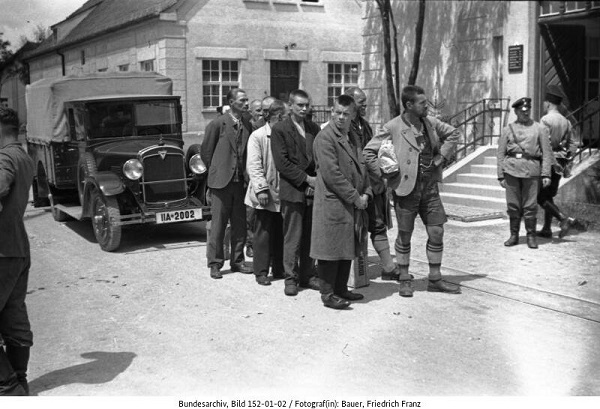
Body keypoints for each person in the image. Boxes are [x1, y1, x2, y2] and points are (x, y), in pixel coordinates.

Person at [364, 85, 461, 297]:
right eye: (422, 103)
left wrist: (441, 157)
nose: (427, 106)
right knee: (405, 235)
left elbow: (454, 134)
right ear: (409, 105)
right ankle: (405, 279)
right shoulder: (392, 127)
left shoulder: (430, 123)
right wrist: (386, 175)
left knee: (437, 231)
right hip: (405, 190)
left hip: (430, 189)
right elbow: (369, 152)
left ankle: (435, 278)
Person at [311, 95, 371, 309]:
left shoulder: (352, 136)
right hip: (333, 203)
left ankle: (341, 289)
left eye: (346, 114)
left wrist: (367, 191)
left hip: (350, 203)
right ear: (331, 112)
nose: (341, 117)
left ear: (353, 115)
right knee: (330, 249)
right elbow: (332, 174)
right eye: (337, 112)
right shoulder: (325, 138)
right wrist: (356, 197)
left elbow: (362, 167)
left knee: (347, 246)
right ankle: (327, 294)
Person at [345, 86, 399, 281]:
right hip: (352, 186)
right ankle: (347, 273)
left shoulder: (365, 126)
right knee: (351, 229)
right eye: (361, 103)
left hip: (372, 184)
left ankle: (388, 267)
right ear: (351, 103)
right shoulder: (342, 126)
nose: (365, 106)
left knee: (377, 224)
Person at [271, 89, 321, 296]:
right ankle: (290, 278)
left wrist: (317, 179)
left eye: (306, 105)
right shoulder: (280, 129)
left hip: (313, 192)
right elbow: (282, 163)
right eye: (299, 105)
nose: (304, 109)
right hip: (293, 191)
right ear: (290, 106)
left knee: (310, 235)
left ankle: (307, 275)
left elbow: (319, 156)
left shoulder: (313, 128)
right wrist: (306, 179)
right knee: (293, 237)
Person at [201, 88, 253, 278]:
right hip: (221, 183)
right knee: (219, 225)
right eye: (242, 100)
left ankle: (238, 261)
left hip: (240, 183)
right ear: (231, 102)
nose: (246, 103)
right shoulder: (217, 124)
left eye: (247, 100)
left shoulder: (248, 124)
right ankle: (215, 263)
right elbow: (206, 152)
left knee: (240, 224)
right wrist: (216, 172)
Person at [0, 107, 35, 395]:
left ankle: (8, 387)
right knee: (14, 318)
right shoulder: (24, 156)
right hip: (18, 248)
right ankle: (20, 379)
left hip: (1, 251)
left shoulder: (4, 158)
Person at [497, 97, 553, 249]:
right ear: (516, 112)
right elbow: (500, 153)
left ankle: (531, 236)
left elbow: (547, 153)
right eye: (522, 111)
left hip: (531, 170)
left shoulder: (540, 128)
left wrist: (546, 174)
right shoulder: (507, 129)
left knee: (530, 205)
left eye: (527, 110)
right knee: (513, 205)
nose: (525, 113)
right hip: (511, 170)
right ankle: (514, 235)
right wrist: (500, 174)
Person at [244, 99, 286, 286]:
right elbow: (254, 165)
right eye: (283, 117)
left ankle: (279, 268)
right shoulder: (258, 136)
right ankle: (261, 271)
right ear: (276, 116)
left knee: (280, 232)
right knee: (262, 233)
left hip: (282, 192)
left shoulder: (284, 134)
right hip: (264, 193)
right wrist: (261, 189)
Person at [537, 86, 577, 238]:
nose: (543, 104)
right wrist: (567, 162)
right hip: (560, 161)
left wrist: (551, 163)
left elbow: (544, 145)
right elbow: (573, 144)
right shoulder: (566, 121)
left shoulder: (545, 120)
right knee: (549, 195)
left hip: (548, 162)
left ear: (548, 103)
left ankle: (563, 219)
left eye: (544, 102)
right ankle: (547, 228)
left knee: (540, 197)